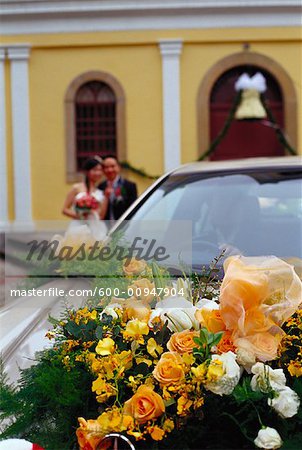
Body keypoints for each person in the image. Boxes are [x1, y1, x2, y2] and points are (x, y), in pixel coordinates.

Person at [61, 157, 108, 240]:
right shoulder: (77, 188)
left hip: (95, 227)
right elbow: (65, 209)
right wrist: (81, 216)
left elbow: (101, 216)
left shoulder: (101, 192)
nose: (98, 173)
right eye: (95, 170)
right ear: (87, 171)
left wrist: (106, 198)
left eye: (100, 170)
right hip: (78, 226)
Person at [98, 155, 138, 221]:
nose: (109, 170)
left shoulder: (129, 186)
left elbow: (133, 209)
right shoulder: (101, 186)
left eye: (112, 166)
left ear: (119, 167)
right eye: (106, 167)